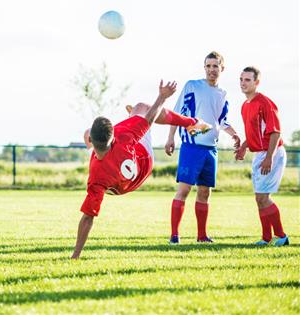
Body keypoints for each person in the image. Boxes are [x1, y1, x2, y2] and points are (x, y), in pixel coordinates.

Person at [71, 80, 211, 259]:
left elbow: (88, 218)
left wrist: (76, 254)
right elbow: (151, 117)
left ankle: (131, 117)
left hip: (116, 185)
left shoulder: (96, 177)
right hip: (143, 162)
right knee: (143, 107)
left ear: (92, 141)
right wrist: (162, 96)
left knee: (88, 131)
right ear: (112, 136)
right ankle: (192, 123)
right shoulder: (123, 137)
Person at [164, 51, 241, 244]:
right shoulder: (193, 86)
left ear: (222, 69)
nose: (211, 70)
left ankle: (202, 236)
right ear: (204, 68)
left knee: (205, 192)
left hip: (210, 149)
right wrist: (171, 138)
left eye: (215, 66)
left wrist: (234, 134)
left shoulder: (223, 94)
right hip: (192, 146)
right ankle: (174, 236)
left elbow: (222, 121)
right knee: (184, 190)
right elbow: (176, 113)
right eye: (208, 66)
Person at [234, 66, 289, 246]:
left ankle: (281, 236)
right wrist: (243, 146)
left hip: (272, 153)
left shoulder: (265, 102)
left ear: (256, 83)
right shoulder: (245, 105)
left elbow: (275, 132)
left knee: (264, 198)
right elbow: (253, 133)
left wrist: (269, 157)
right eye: (241, 79)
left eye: (248, 80)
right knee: (259, 198)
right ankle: (266, 238)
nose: (243, 83)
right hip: (259, 153)